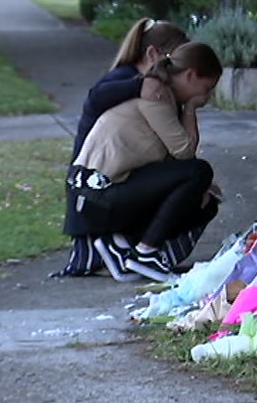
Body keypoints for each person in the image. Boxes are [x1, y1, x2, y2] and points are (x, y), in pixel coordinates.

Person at [67, 41, 224, 282]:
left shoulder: (163, 95)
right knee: (198, 171)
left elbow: (171, 164)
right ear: (191, 75)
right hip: (96, 195)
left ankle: (123, 250)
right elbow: (184, 152)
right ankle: (144, 252)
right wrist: (191, 108)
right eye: (207, 87)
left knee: (203, 198)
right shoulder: (158, 96)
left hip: (99, 194)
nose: (207, 96)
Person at [56, 18, 192, 279]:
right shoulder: (125, 81)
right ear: (153, 54)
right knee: (193, 174)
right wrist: (139, 86)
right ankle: (122, 250)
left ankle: (140, 252)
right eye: (176, 63)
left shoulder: (160, 91)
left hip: (116, 183)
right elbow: (96, 97)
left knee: (194, 181)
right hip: (95, 192)